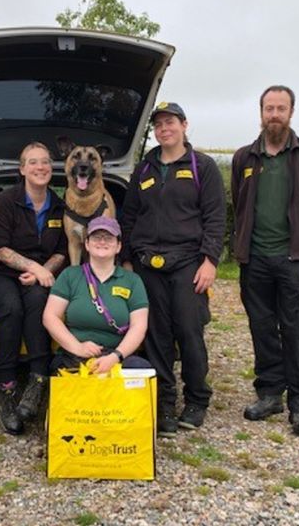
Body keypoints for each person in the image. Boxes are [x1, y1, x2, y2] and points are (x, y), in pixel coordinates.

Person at [120, 102, 226, 437]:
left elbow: (215, 217)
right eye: (159, 124)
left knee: (189, 332)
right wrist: (126, 258)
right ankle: (165, 403)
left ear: (184, 125)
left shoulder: (202, 166)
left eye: (170, 122)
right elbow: (129, 216)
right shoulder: (144, 169)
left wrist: (209, 260)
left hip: (187, 263)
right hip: (147, 264)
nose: (164, 129)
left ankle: (197, 400)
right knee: (156, 336)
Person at [231, 85, 299, 438]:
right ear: (261, 112)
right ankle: (270, 393)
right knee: (262, 328)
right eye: (269, 108)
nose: (274, 114)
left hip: (295, 259)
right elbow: (240, 203)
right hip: (254, 258)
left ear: (291, 113)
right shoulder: (245, 158)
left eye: (281, 108)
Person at [0, 142, 67, 435]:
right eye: (33, 162)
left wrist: (44, 272)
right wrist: (32, 266)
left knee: (40, 302)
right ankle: (6, 388)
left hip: (38, 276)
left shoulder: (59, 205)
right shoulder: (5, 200)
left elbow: (63, 251)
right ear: (22, 169)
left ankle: (38, 381)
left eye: (45, 162)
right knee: (11, 308)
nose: (40, 167)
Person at [43, 216, 150, 373]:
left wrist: (115, 356)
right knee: (61, 369)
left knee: (141, 369)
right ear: (87, 244)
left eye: (108, 238)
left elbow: (139, 326)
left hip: (117, 355)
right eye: (96, 237)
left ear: (119, 246)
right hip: (75, 355)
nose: (102, 242)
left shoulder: (132, 280)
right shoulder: (70, 275)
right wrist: (77, 348)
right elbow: (50, 317)